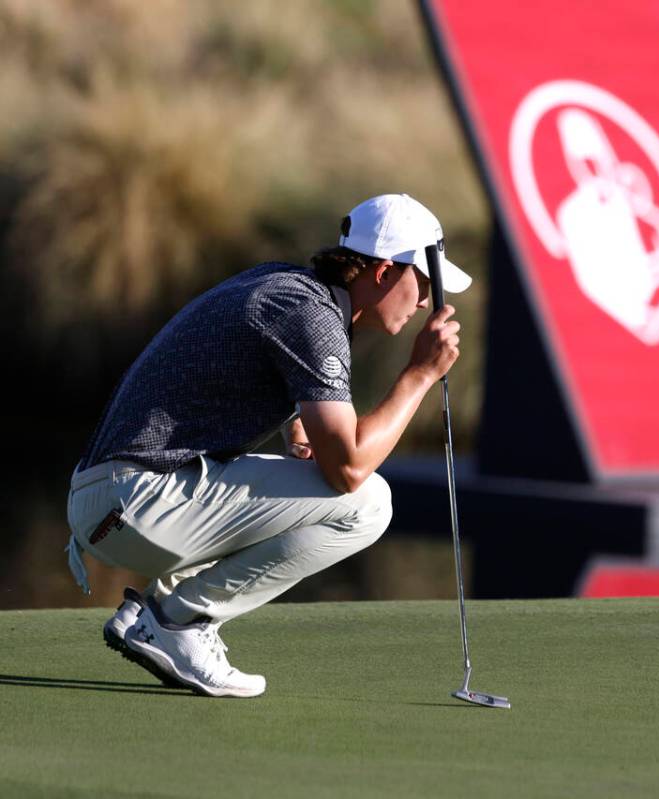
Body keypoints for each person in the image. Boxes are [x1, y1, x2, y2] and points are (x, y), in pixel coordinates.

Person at [65, 194, 470, 698]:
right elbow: (349, 469)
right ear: (385, 272)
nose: (428, 303)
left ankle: (153, 616)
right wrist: (419, 375)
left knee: (330, 484)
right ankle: (177, 622)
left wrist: (296, 425)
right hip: (132, 502)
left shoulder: (288, 287)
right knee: (367, 503)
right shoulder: (312, 316)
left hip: (114, 497)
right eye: (424, 285)